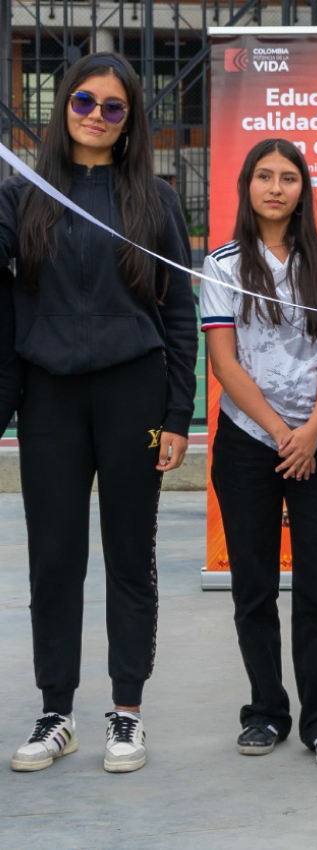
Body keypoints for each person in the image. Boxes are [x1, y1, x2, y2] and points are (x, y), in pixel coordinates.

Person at [0, 51, 197, 775]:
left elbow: (179, 312)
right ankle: (58, 713)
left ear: (130, 119)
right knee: (54, 559)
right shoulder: (21, 194)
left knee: (128, 558)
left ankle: (127, 712)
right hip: (48, 393)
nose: (96, 117)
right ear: (65, 108)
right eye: (84, 103)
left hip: (132, 394)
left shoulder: (155, 198)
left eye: (113, 108)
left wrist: (178, 413)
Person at [202, 138, 317, 769]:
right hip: (247, 440)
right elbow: (223, 361)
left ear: (303, 189)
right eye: (263, 177)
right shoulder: (222, 264)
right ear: (247, 187)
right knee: (254, 583)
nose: (275, 187)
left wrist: (311, 430)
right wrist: (278, 431)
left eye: (288, 177)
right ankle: (266, 710)